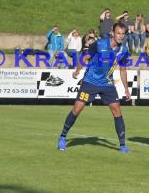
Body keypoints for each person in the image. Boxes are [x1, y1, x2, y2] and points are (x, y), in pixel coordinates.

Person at [57, 22, 132, 152]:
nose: (120, 36)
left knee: (116, 110)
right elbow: (84, 57)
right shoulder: (99, 44)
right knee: (77, 108)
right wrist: (77, 71)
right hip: (90, 81)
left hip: (107, 83)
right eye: (118, 33)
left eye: (123, 34)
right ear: (112, 33)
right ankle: (63, 137)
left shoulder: (123, 50)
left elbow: (123, 70)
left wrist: (126, 89)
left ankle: (123, 145)